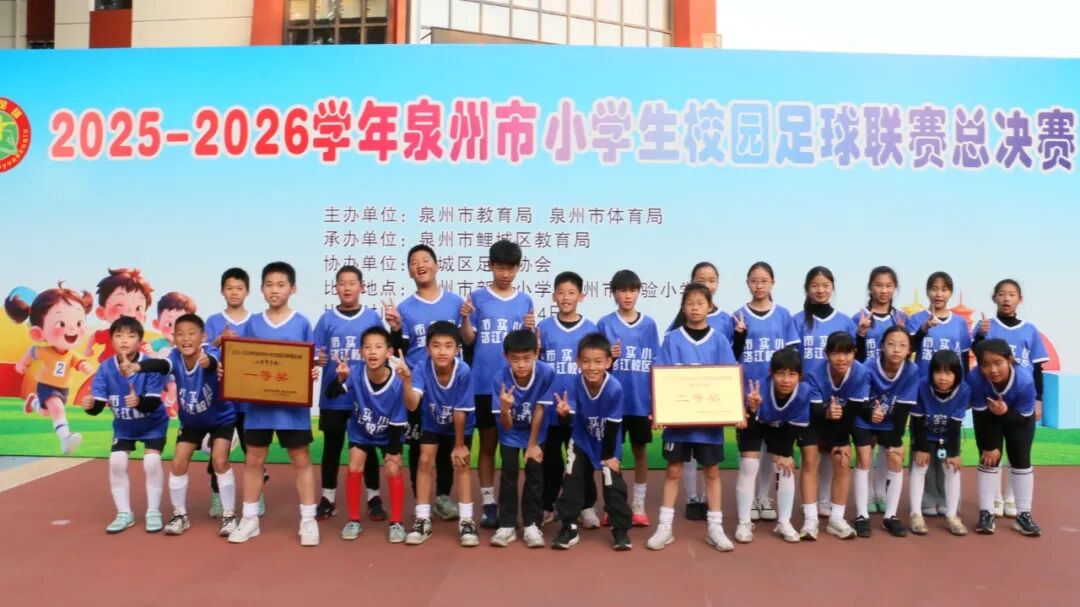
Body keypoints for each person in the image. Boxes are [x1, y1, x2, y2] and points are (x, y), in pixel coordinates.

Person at [227, 262, 321, 546]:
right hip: (259, 408)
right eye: (269, 285)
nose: (274, 290)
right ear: (261, 289)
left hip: (292, 410)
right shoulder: (253, 323)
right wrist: (228, 369)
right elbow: (242, 361)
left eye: (281, 285)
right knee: (254, 460)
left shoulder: (302, 323)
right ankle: (249, 519)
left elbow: (311, 360)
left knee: (301, 460)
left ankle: (308, 520)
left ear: (293, 288)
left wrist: (312, 371)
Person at [646, 283, 737, 552]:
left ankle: (715, 528)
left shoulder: (719, 341)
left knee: (712, 471)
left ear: (710, 306)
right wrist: (659, 410)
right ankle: (664, 527)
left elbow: (729, 379)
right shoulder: (672, 339)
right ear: (683, 307)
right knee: (673, 470)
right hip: (678, 423)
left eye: (700, 303)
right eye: (690, 303)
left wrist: (735, 409)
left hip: (709, 423)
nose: (695, 308)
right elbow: (661, 378)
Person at [131, 314, 238, 537]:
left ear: (202, 337)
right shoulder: (174, 356)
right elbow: (161, 365)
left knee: (219, 461)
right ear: (174, 338)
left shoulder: (210, 352)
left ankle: (229, 515)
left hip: (220, 419)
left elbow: (212, 361)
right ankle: (180, 515)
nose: (186, 338)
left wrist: (209, 363)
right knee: (178, 462)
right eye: (180, 334)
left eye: (191, 334)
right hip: (191, 421)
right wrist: (137, 366)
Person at [460, 240, 535, 529]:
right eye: (500, 268)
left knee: (513, 448)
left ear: (518, 268)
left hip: (516, 388)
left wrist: (531, 330)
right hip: (482, 384)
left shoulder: (525, 301)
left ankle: (518, 505)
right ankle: (489, 503)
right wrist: (465, 318)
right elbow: (468, 339)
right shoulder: (477, 298)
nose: (505, 274)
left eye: (511, 269)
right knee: (488, 446)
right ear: (491, 266)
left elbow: (529, 345)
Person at [388, 244, 463, 521]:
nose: (420, 265)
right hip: (418, 386)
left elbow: (466, 341)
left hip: (448, 385)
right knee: (419, 444)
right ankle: (421, 501)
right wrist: (396, 328)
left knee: (446, 442)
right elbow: (400, 349)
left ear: (436, 265)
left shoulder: (455, 303)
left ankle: (443, 497)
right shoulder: (405, 308)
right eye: (414, 262)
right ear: (409, 271)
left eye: (425, 260)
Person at [79, 316, 168, 534]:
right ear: (111, 340)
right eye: (118, 335)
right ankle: (124, 513)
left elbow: (153, 403)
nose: (124, 340)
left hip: (153, 424)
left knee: (152, 462)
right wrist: (89, 405)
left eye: (130, 335)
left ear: (140, 340)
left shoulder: (150, 366)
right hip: (124, 426)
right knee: (116, 462)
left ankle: (153, 511)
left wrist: (139, 402)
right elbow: (97, 406)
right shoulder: (105, 369)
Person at [328, 327, 416, 543]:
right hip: (361, 431)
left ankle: (396, 522)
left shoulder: (398, 382)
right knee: (354, 466)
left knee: (393, 468)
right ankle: (353, 520)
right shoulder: (355, 372)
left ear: (389, 352)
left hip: (389, 432)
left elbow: (399, 420)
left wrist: (393, 453)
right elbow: (331, 394)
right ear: (361, 352)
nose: (373, 352)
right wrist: (339, 379)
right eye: (367, 347)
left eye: (378, 347)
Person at [312, 265, 385, 521]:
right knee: (332, 447)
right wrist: (318, 359)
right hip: (333, 397)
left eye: (352, 283)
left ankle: (374, 497)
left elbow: (382, 352)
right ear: (335, 288)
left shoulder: (372, 318)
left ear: (361, 287)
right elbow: (314, 352)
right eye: (342, 283)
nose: (347, 288)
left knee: (368, 447)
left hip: (365, 398)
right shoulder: (326, 320)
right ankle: (327, 497)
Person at [972, 278, 1049, 518]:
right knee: (991, 447)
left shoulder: (1030, 329)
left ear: (1020, 299)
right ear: (994, 298)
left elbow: (1037, 367)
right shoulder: (986, 325)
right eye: (1002, 294)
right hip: (991, 395)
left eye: (1012, 294)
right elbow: (978, 356)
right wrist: (980, 336)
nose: (1006, 298)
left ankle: (1012, 497)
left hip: (1021, 395)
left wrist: (1039, 399)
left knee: (1019, 448)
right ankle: (994, 497)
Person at [732, 261, 800, 523]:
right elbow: (731, 356)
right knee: (750, 454)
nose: (758, 286)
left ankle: (763, 497)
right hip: (747, 395)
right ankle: (749, 502)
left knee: (771, 453)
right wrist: (739, 335)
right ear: (747, 283)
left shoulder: (783, 315)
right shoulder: (738, 315)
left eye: (764, 281)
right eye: (753, 280)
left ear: (773, 283)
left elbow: (792, 357)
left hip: (776, 395)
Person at [551, 333, 632, 551]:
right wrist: (563, 414)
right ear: (577, 362)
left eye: (598, 361)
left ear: (608, 362)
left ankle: (620, 529)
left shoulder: (614, 388)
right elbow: (569, 418)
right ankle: (569, 527)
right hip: (582, 440)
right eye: (586, 361)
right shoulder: (572, 383)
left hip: (608, 442)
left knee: (612, 483)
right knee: (572, 480)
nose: (592, 367)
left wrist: (608, 456)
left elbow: (614, 424)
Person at [405, 321, 479, 547]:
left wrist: (459, 445)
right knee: (424, 461)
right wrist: (406, 380)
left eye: (448, 346)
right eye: (436, 345)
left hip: (461, 423)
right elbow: (412, 404)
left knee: (462, 464)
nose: (442, 351)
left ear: (457, 349)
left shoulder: (463, 370)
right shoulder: (421, 367)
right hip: (433, 422)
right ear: (428, 348)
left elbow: (460, 410)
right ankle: (422, 519)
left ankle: (466, 522)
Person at [793, 267, 856, 525]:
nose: (820, 290)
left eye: (826, 285)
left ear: (833, 287)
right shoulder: (797, 321)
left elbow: (853, 359)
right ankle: (809, 505)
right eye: (815, 285)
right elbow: (792, 361)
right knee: (811, 452)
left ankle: (826, 500)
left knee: (832, 450)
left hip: (836, 396)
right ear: (807, 288)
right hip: (805, 397)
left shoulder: (846, 322)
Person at [597, 269, 660, 528]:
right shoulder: (605, 323)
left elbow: (656, 364)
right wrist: (609, 358)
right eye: (622, 290)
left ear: (639, 292)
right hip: (613, 404)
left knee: (640, 451)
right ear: (613, 293)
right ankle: (614, 504)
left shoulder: (649, 324)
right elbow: (596, 365)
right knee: (612, 454)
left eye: (632, 290)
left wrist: (656, 404)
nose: (627, 295)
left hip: (640, 402)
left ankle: (639, 504)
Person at [907, 272, 971, 518]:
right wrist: (924, 328)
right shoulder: (917, 319)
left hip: (951, 393)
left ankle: (946, 500)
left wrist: (963, 389)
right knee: (923, 444)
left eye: (944, 289)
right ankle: (926, 499)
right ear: (927, 291)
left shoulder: (959, 324)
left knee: (946, 443)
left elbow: (963, 358)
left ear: (950, 293)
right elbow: (908, 348)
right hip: (923, 391)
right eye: (934, 288)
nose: (938, 294)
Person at [537, 271, 598, 526]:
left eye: (571, 293)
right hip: (550, 409)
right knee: (551, 461)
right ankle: (547, 505)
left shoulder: (591, 329)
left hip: (580, 409)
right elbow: (537, 364)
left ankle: (586, 506)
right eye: (561, 293)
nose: (565, 298)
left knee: (582, 460)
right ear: (553, 296)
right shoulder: (543, 328)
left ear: (581, 296)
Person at [6, 282, 94, 454]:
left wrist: (85, 367)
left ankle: (33, 401)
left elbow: (79, 362)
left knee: (47, 412)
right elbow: (32, 351)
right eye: (61, 324)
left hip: (64, 389)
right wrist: (22, 364)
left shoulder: (71, 354)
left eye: (79, 323)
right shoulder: (45, 352)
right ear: (38, 333)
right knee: (57, 408)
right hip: (47, 386)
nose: (72, 329)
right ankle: (65, 438)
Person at [969, 339, 1041, 537]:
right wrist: (989, 445)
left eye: (998, 363)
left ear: (1010, 360)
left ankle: (1023, 515)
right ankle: (986, 513)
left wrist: (1005, 412)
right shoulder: (975, 379)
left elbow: (1023, 419)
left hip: (1017, 418)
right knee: (989, 459)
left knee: (1021, 460)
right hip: (987, 417)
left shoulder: (1024, 381)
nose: (992, 370)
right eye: (985, 364)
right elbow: (981, 416)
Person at [489, 330, 554, 548]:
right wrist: (505, 409)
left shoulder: (546, 373)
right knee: (509, 473)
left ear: (536, 354)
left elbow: (540, 409)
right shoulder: (499, 378)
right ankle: (507, 525)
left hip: (536, 431)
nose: (521, 364)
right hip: (510, 432)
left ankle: (531, 524)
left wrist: (532, 444)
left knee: (534, 473)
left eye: (527, 358)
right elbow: (505, 424)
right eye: (515, 359)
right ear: (506, 357)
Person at [851, 325, 917, 538]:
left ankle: (890, 516)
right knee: (864, 458)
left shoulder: (911, 370)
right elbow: (859, 402)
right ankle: (861, 516)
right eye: (891, 344)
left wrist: (896, 442)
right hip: (864, 418)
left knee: (896, 458)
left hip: (890, 421)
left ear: (909, 350)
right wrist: (871, 412)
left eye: (902, 345)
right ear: (881, 346)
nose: (896, 349)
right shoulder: (867, 368)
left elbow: (904, 407)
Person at [743, 348, 812, 543]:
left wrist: (785, 453)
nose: (786, 380)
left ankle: (784, 522)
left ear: (800, 375)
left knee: (785, 466)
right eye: (780, 373)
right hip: (755, 425)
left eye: (792, 374)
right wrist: (753, 408)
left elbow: (793, 427)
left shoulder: (804, 392)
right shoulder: (758, 389)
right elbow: (749, 425)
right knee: (749, 464)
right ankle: (743, 522)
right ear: (771, 373)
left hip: (779, 427)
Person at [854, 266, 908, 515]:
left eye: (888, 285)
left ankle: (881, 493)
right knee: (867, 445)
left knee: (888, 445)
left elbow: (907, 353)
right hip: (867, 386)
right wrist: (861, 333)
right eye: (878, 285)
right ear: (870, 287)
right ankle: (865, 497)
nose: (883, 290)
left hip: (892, 388)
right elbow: (856, 358)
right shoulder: (859, 317)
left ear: (895, 288)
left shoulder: (901, 319)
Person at [204, 267, 256, 518]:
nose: (234, 292)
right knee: (218, 451)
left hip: (249, 398)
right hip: (220, 399)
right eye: (229, 288)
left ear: (247, 291)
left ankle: (256, 495)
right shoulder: (213, 321)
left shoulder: (256, 321)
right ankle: (217, 495)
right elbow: (201, 354)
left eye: (239, 288)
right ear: (222, 291)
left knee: (253, 450)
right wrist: (219, 340)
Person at [806, 331, 869, 540]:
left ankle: (836, 519)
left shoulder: (859, 372)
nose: (842, 359)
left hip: (841, 422)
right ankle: (810, 520)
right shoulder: (814, 373)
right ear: (827, 354)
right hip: (812, 420)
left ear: (855, 353)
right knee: (810, 458)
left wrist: (840, 442)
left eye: (847, 353)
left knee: (843, 458)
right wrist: (826, 413)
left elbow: (852, 411)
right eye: (835, 353)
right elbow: (814, 412)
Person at [909, 350, 969, 536]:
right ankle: (915, 513)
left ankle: (952, 515)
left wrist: (953, 453)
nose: (943, 378)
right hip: (924, 434)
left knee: (952, 468)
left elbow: (955, 424)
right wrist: (921, 448)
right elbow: (917, 421)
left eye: (948, 373)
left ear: (956, 374)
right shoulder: (921, 386)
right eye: (938, 372)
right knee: (919, 466)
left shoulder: (964, 390)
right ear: (931, 373)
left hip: (947, 435)